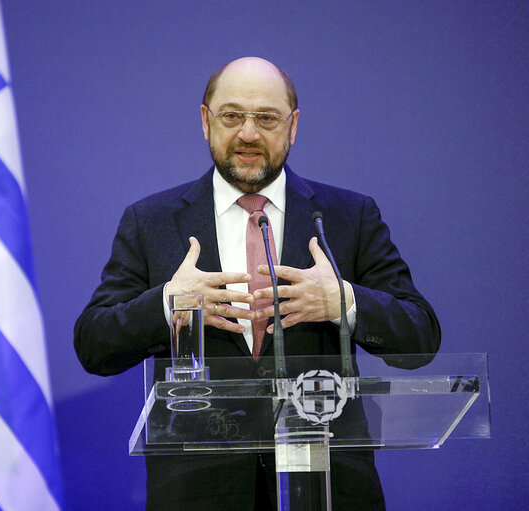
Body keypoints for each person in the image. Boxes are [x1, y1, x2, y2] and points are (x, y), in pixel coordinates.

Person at [74, 57, 440, 510]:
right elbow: (93, 344)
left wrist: (345, 302)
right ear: (206, 122)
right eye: (231, 116)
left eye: (266, 118)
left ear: (293, 125)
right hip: (199, 491)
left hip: (327, 485)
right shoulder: (151, 221)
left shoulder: (348, 216)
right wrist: (168, 304)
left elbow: (420, 337)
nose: (248, 133)